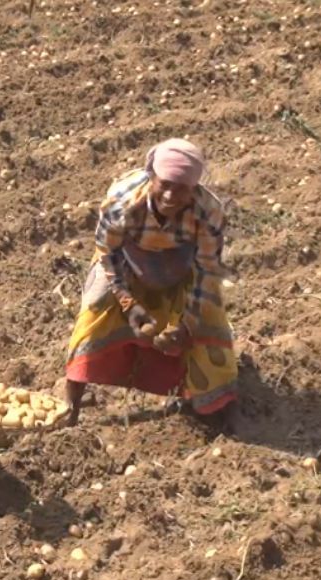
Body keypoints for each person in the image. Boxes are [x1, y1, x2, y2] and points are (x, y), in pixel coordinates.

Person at [64, 138, 237, 427]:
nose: (170, 195)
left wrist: (187, 324)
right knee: (94, 308)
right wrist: (129, 304)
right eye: (164, 183)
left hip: (182, 263)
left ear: (194, 188)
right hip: (126, 258)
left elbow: (207, 271)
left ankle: (217, 405)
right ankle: (72, 403)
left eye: (181, 188)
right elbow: (107, 254)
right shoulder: (121, 201)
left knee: (210, 320)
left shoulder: (209, 213)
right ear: (151, 176)